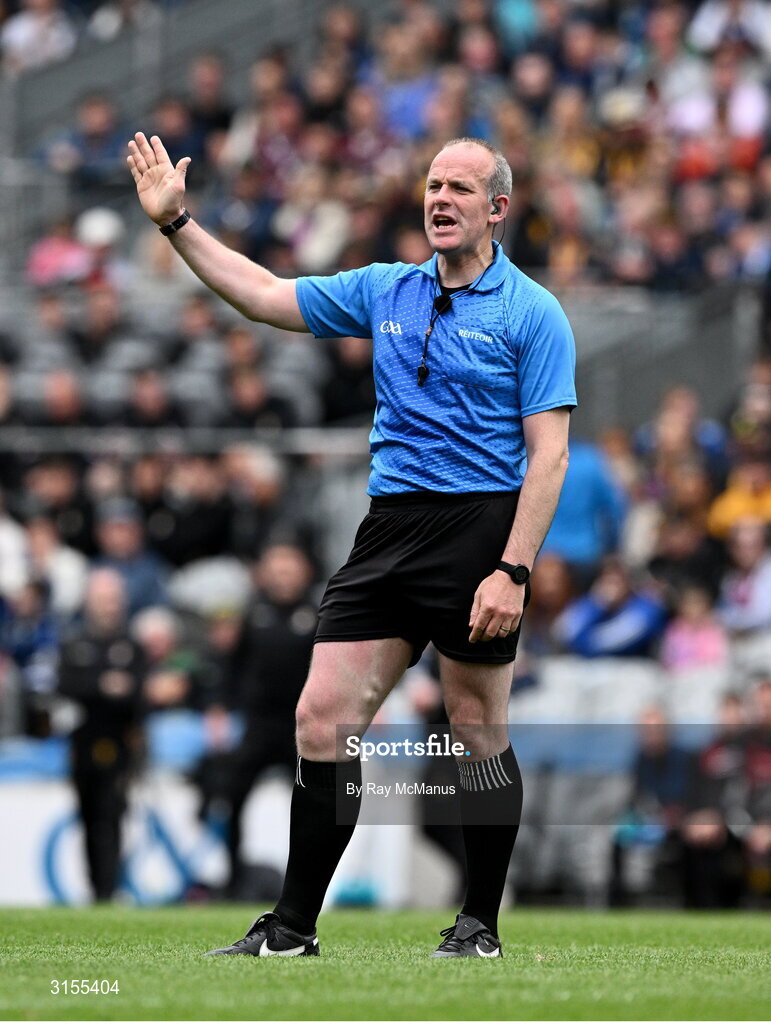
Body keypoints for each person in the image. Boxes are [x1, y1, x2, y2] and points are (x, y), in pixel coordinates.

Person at [127, 130, 576, 958]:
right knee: (321, 718)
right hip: (388, 529)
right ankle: (292, 931)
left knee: (475, 726)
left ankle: (478, 924)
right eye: (433, 183)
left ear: (498, 209)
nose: (440, 198)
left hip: (480, 528)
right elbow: (261, 294)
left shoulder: (532, 313)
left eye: (461, 189)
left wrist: (513, 568)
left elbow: (548, 454)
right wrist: (177, 223)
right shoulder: (385, 289)